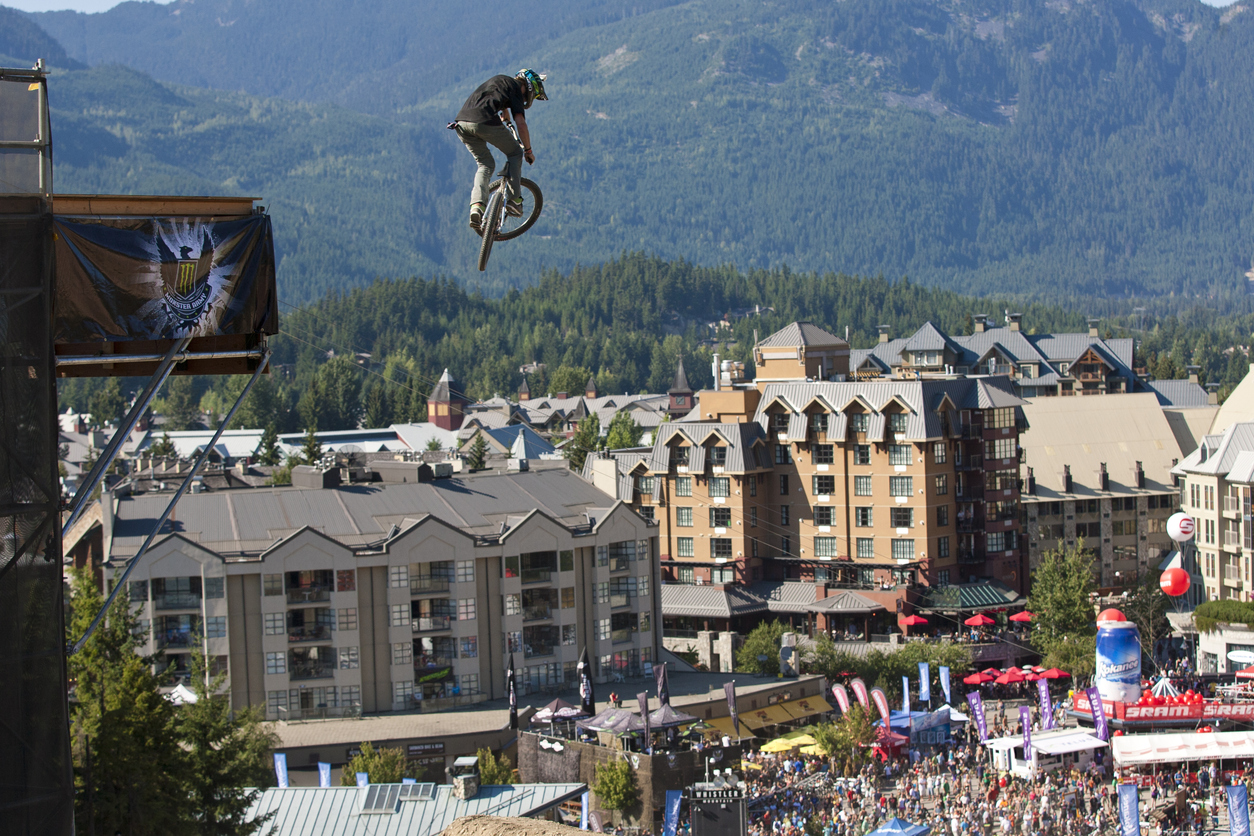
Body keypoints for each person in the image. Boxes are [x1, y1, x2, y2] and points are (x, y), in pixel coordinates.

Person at [451, 69, 547, 231]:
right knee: (515, 153)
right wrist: (528, 151)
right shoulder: (517, 89)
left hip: (461, 122)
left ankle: (477, 207)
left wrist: (504, 115)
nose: (524, 99)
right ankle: (514, 201)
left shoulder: (500, 81)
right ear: (528, 88)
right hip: (483, 120)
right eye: (527, 97)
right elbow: (521, 124)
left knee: (485, 165)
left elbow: (496, 99)